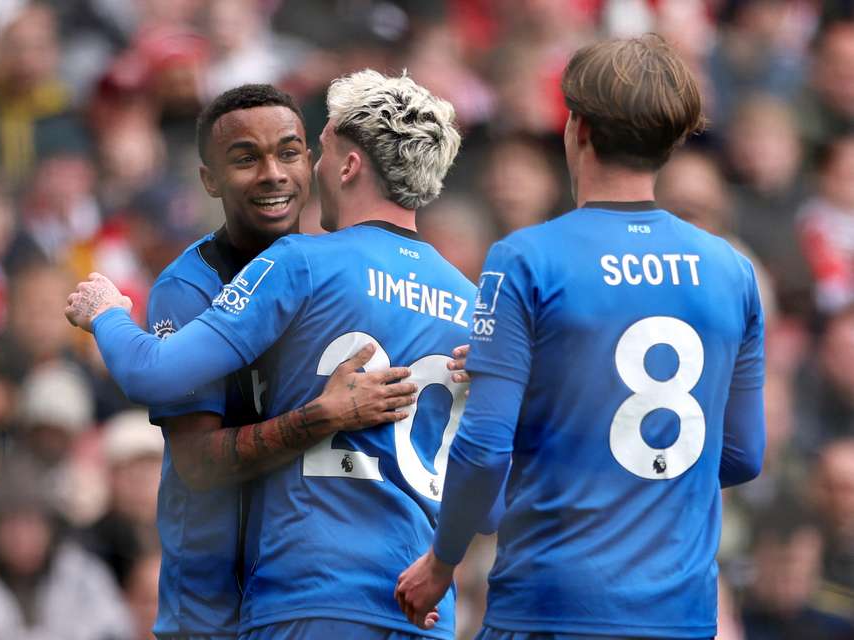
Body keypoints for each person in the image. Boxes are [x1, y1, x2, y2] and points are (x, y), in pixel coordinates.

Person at [66, 70, 470, 639]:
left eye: (307, 150)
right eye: (247, 158)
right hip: (419, 605)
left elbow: (150, 372)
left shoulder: (305, 263)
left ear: (346, 166)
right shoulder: (471, 303)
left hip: (309, 595)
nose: (283, 172)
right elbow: (492, 492)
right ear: (209, 179)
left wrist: (106, 313)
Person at [395, 34, 766, 639]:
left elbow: (483, 450)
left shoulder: (526, 258)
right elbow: (743, 454)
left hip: (552, 601)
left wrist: (442, 562)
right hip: (680, 611)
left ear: (579, 129)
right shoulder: (733, 270)